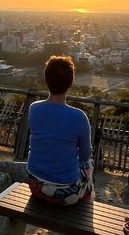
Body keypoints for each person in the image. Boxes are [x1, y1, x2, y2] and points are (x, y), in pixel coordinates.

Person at [27, 55, 95, 205]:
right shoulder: (79, 117)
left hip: (35, 183)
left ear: (46, 80)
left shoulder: (34, 109)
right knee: (88, 163)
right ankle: (87, 202)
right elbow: (85, 155)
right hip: (67, 192)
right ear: (70, 83)